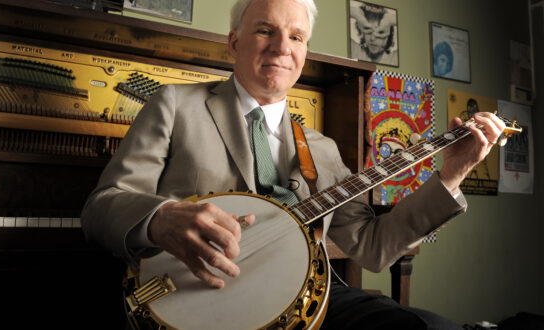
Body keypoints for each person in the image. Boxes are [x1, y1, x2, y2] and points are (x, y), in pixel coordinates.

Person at [80, 0, 505, 328]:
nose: (282, 48)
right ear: (234, 41)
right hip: (196, 296)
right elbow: (102, 206)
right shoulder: (175, 106)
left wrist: (452, 174)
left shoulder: (321, 148)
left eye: (296, 37)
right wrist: (159, 220)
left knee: (427, 327)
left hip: (306, 301)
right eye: (265, 30)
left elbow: (371, 247)